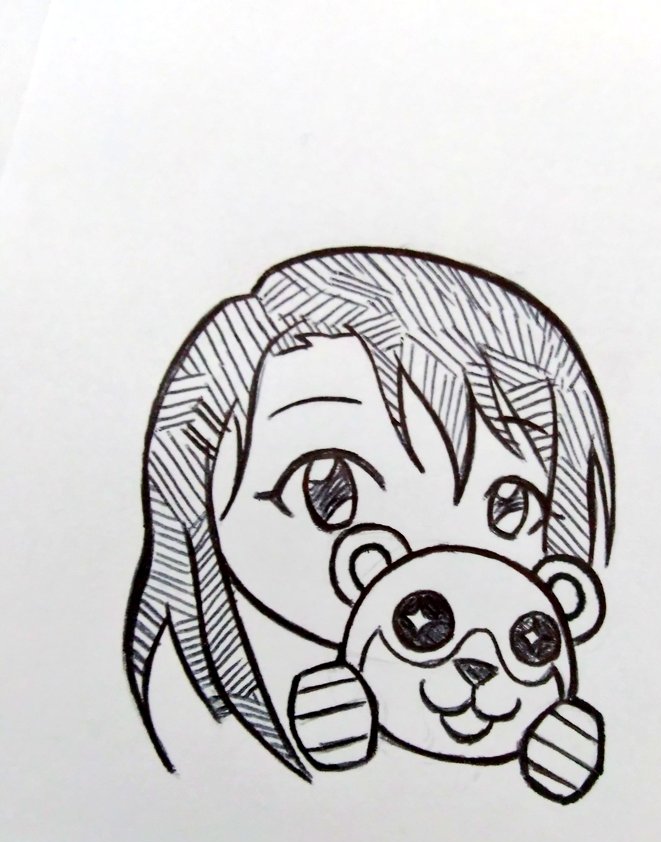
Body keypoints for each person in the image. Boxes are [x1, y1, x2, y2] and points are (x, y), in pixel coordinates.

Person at [124, 248, 614, 788]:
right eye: (329, 489)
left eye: (509, 506)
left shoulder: (524, 672)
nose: (432, 553)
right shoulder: (192, 694)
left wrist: (560, 750)